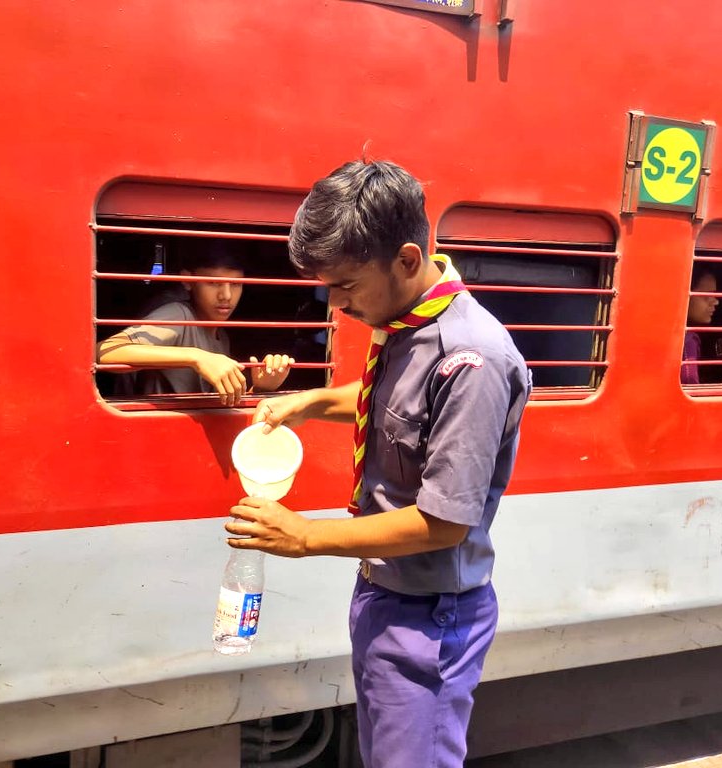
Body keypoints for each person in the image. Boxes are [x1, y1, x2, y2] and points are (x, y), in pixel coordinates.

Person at [224, 160, 531, 767]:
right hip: (385, 595)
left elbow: (444, 523)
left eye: (346, 286)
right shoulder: (408, 325)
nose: (336, 304)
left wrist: (306, 536)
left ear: (408, 259)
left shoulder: (470, 359)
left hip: (430, 617)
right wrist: (313, 402)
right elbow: (391, 404)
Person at [96, 248, 294, 406]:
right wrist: (196, 357)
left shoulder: (221, 337)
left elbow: (216, 408)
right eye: (213, 282)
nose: (226, 295)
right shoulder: (179, 315)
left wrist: (260, 389)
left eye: (235, 284)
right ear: (188, 281)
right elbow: (102, 351)